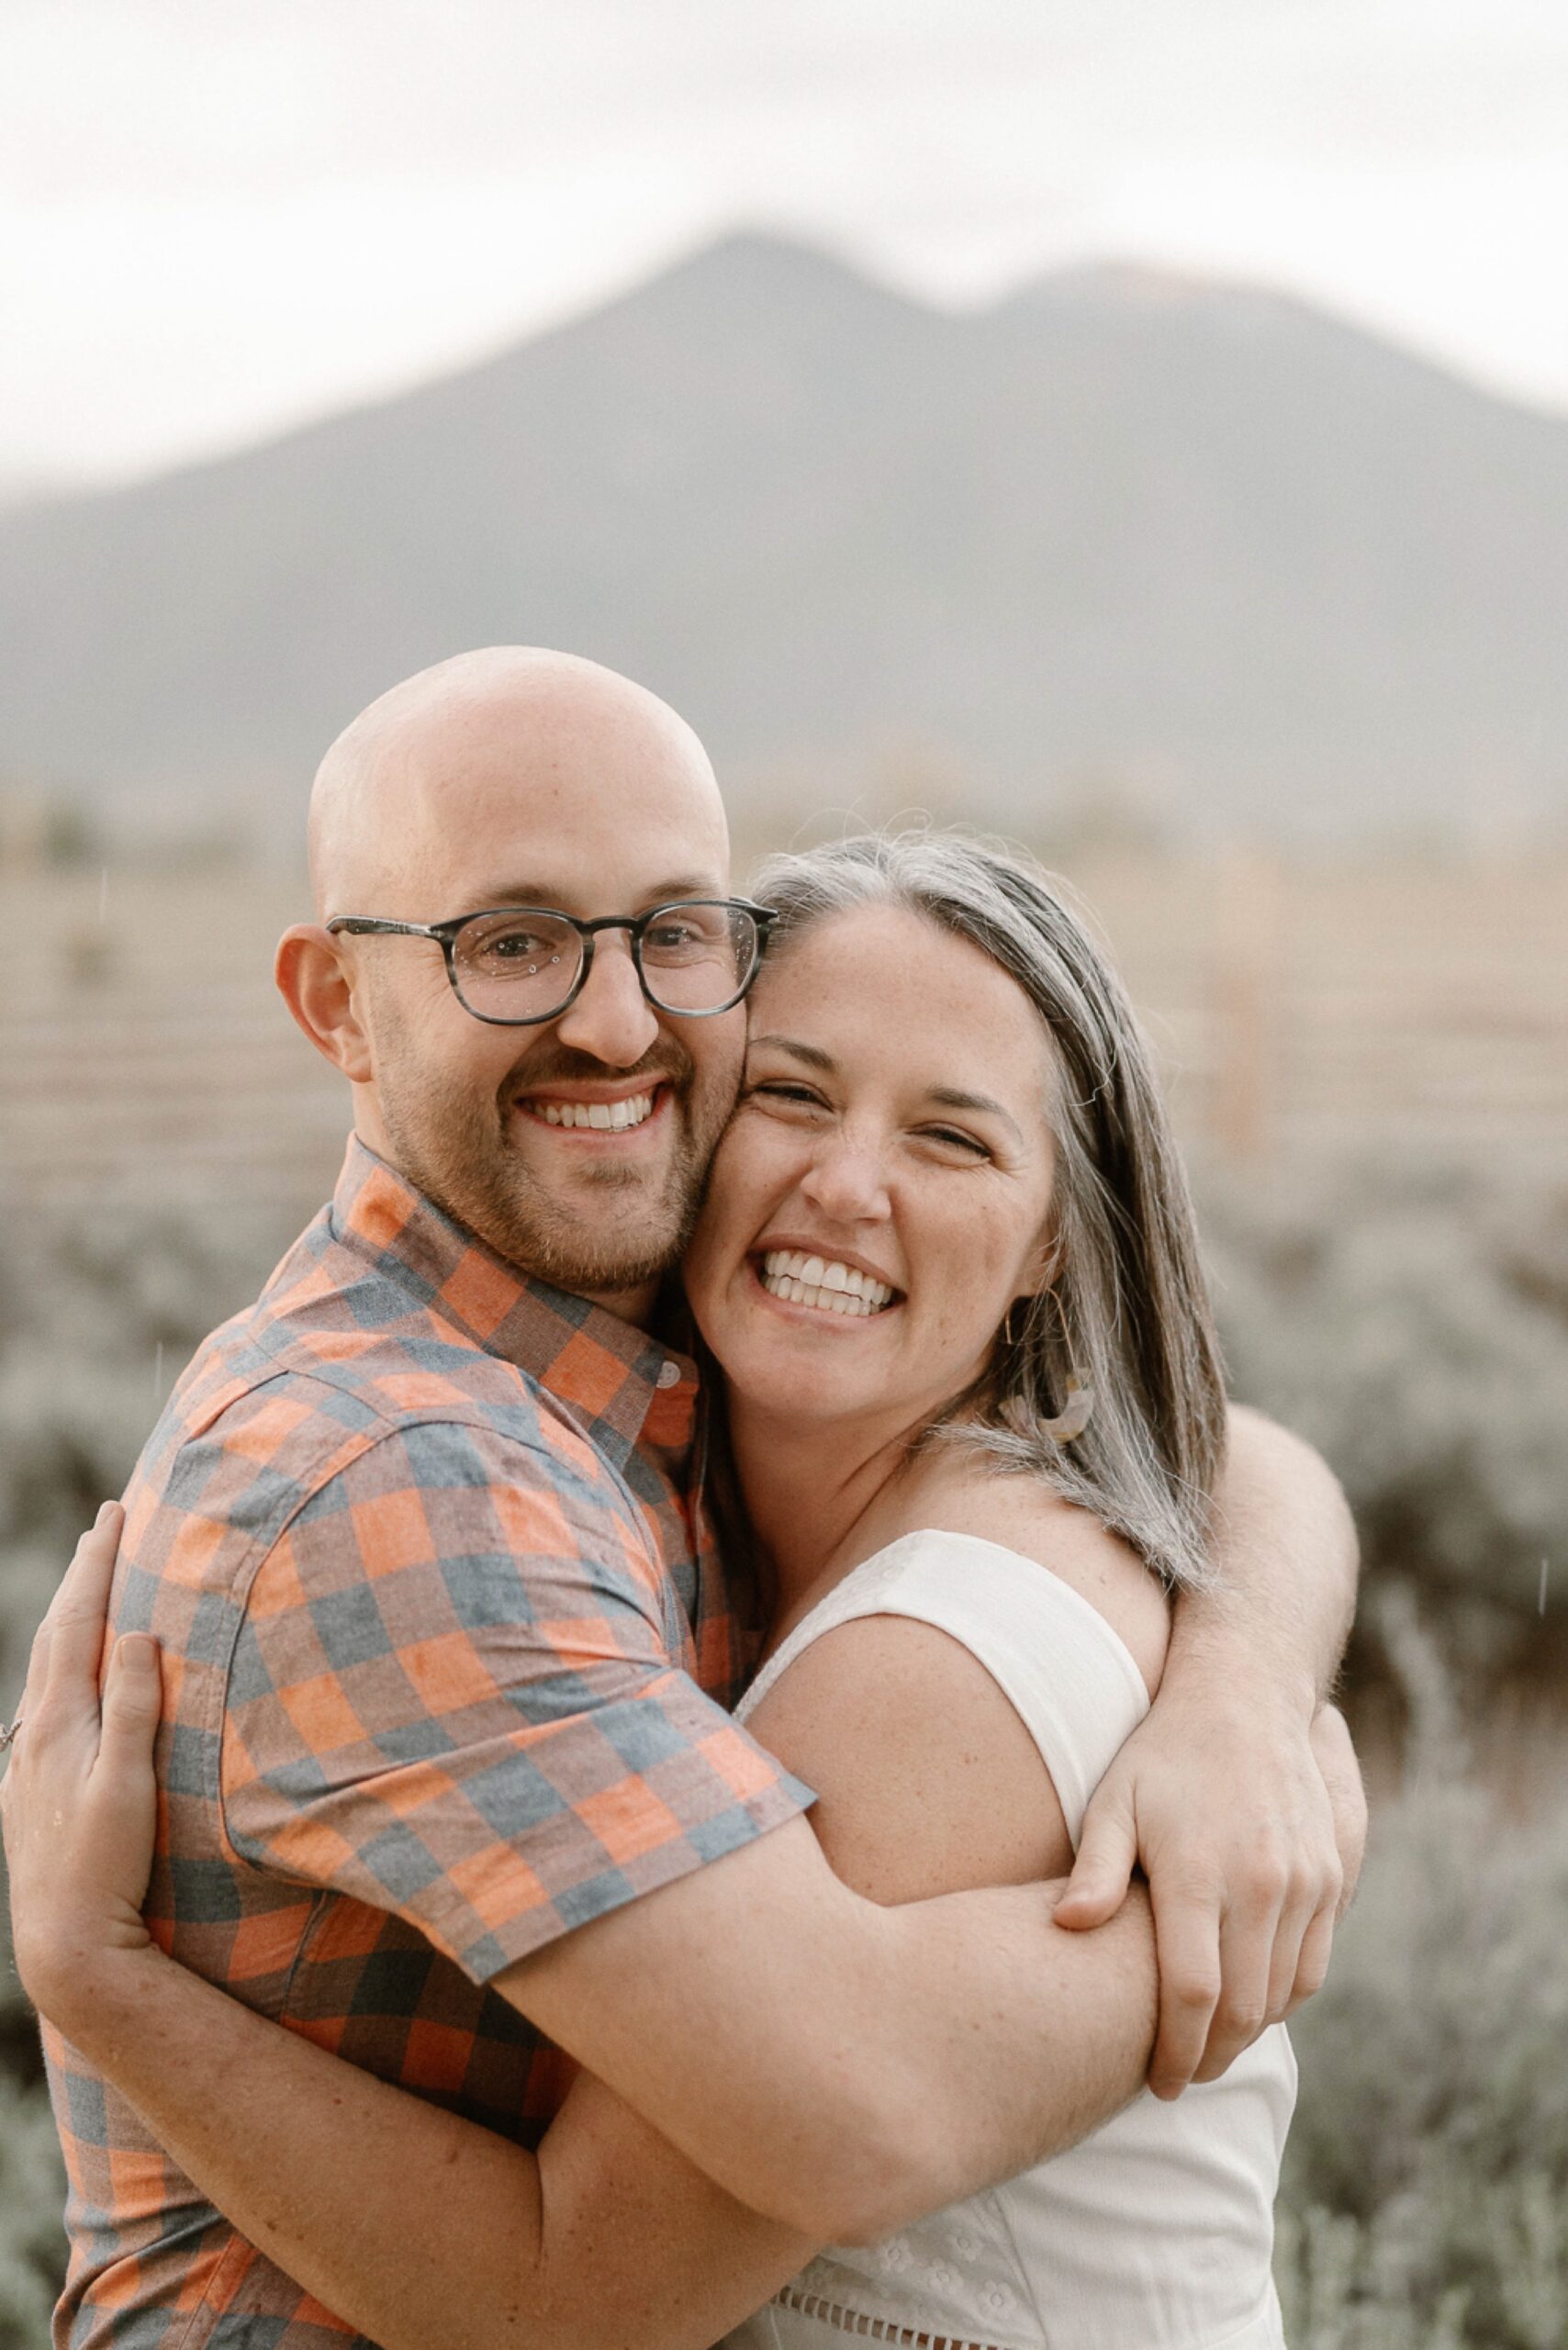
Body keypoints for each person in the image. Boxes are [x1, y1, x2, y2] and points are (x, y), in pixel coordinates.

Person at [1, 651, 1362, 2350]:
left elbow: (1227, 1448)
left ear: (1048, 1251)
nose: (617, 1023)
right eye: (510, 942)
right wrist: (1223, 1930)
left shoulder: (628, 1356)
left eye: (670, 932)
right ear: (338, 1005)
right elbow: (838, 2128)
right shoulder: (414, 1471)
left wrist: (1242, 1679)